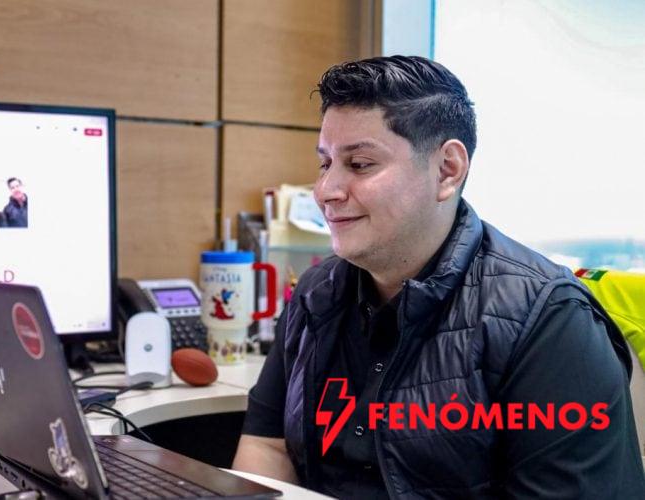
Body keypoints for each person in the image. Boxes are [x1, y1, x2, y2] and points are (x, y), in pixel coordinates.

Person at [232, 56, 645, 498]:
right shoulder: (318, 293)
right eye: (325, 163)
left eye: (360, 164)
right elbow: (267, 444)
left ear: (447, 170)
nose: (325, 191)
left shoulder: (550, 320)